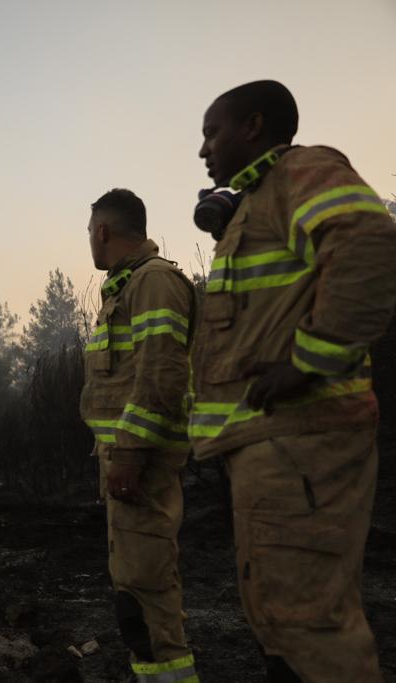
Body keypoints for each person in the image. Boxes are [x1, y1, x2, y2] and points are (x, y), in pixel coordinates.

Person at [191, 80, 396, 682]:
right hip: (275, 447)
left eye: (212, 132)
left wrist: (309, 361)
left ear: (253, 127)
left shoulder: (302, 171)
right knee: (281, 620)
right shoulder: (260, 203)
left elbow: (368, 246)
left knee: (309, 627)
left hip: (301, 440)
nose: (203, 151)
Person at [80, 189, 199, 682]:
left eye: (90, 231)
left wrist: (128, 452)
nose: (88, 240)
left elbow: (162, 373)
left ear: (104, 231)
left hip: (139, 466)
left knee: (146, 597)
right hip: (123, 464)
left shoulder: (154, 283)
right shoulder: (126, 287)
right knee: (133, 594)